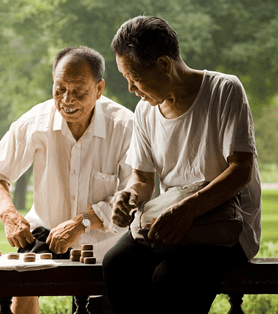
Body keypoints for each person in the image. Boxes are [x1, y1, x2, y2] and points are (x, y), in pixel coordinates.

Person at [102, 16, 262, 314]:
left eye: (134, 77)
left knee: (169, 278)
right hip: (173, 222)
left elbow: (241, 170)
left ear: (164, 65)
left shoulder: (224, 90)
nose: (130, 89)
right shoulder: (145, 112)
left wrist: (188, 210)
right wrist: (129, 195)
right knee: (117, 265)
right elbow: (142, 178)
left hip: (226, 227)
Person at [0, 46, 134, 314]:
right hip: (47, 231)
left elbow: (133, 197)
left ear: (99, 89)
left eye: (78, 90)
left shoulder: (125, 126)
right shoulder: (36, 121)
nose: (66, 99)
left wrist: (82, 222)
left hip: (105, 245)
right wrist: (8, 214)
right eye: (59, 88)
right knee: (23, 279)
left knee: (101, 307)